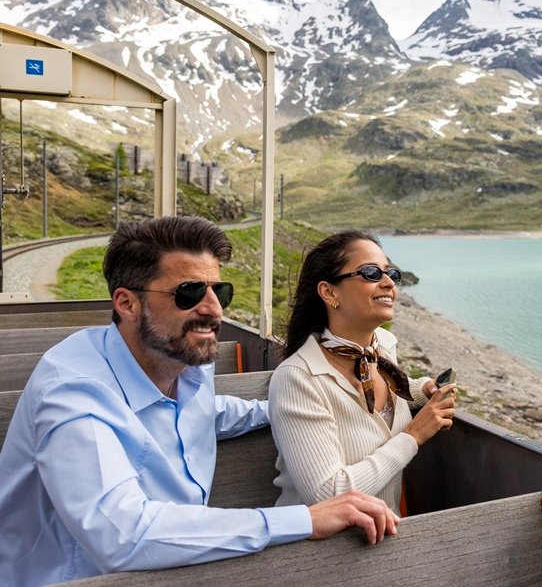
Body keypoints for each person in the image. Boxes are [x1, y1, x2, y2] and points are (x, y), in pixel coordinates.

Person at [0, 216, 399, 586]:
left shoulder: (184, 365)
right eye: (188, 293)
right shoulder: (74, 392)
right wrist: (302, 520)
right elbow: (122, 534)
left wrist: (303, 406)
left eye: (218, 290)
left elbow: (207, 412)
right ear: (127, 303)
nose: (213, 310)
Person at [270, 230, 456, 512]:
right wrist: (413, 435)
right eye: (371, 273)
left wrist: (420, 390)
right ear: (329, 292)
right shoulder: (297, 378)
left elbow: (377, 405)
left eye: (390, 274)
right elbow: (328, 495)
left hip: (384, 539)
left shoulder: (383, 347)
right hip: (319, 552)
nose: (387, 283)